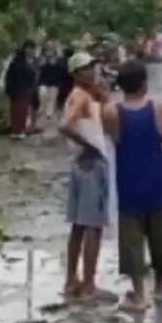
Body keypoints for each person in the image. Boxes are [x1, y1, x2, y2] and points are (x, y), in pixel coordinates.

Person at [101, 60, 162, 312]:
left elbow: (115, 138)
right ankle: (160, 287)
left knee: (131, 239)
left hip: (129, 180)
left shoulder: (111, 112)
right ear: (144, 83)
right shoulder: (157, 107)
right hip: (156, 179)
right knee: (161, 233)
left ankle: (139, 294)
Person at [60, 51, 114, 302]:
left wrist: (102, 93)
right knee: (93, 226)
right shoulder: (80, 96)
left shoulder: (84, 95)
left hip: (81, 164)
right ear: (75, 73)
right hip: (91, 164)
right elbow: (66, 126)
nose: (92, 71)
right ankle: (89, 286)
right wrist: (90, 147)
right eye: (86, 68)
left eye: (93, 66)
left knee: (79, 225)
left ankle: (72, 279)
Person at [4, 40, 39, 140]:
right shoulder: (17, 61)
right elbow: (11, 75)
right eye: (29, 48)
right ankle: (16, 130)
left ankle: (20, 130)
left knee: (23, 110)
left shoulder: (33, 61)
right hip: (18, 88)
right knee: (17, 110)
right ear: (25, 49)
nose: (31, 51)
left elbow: (34, 74)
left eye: (32, 48)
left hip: (27, 89)